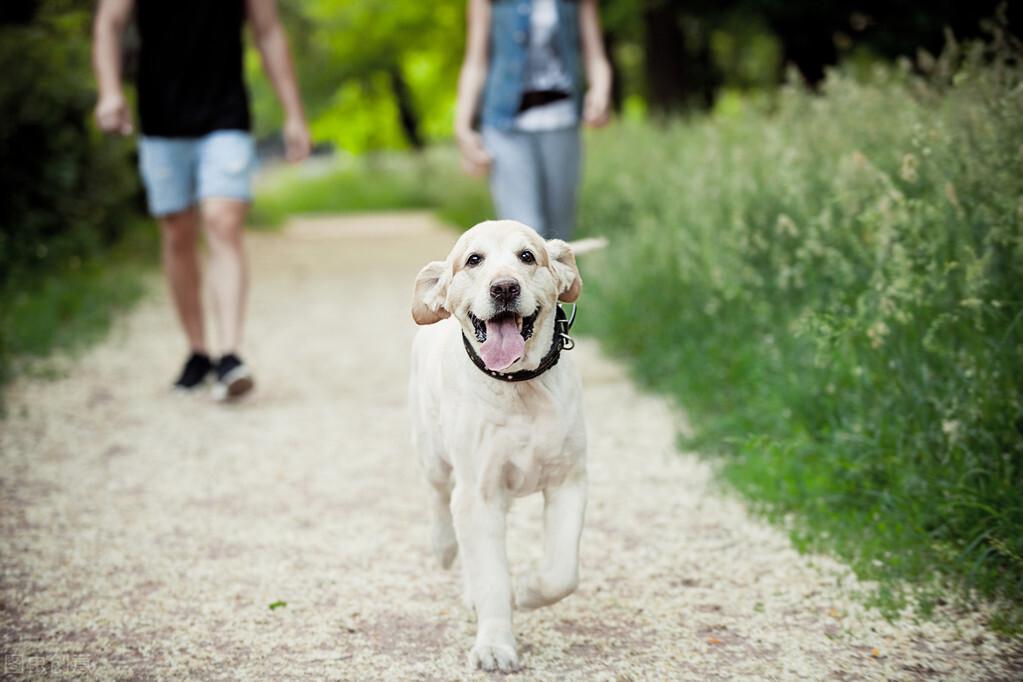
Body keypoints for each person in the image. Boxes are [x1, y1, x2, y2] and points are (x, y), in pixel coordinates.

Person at [92, 0, 311, 400]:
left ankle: (229, 354)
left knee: (222, 220)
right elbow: (109, 22)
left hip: (225, 115)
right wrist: (108, 90)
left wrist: (293, 113)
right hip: (160, 116)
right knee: (177, 231)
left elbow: (269, 31)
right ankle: (198, 352)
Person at [455, 0, 611, 241]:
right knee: (524, 233)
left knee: (558, 238)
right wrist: (462, 126)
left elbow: (595, 56)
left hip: (562, 122)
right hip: (505, 126)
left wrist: (600, 90)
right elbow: (476, 62)